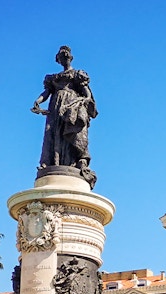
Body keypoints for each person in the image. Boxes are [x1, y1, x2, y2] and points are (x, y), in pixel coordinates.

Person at [31, 45, 98, 187]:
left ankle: (78, 161)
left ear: (70, 58)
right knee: (53, 133)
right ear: (58, 60)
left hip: (70, 107)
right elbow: (46, 93)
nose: (63, 60)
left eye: (65, 57)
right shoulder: (53, 78)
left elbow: (87, 95)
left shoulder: (77, 75)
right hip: (55, 108)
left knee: (73, 135)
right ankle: (50, 163)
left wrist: (79, 103)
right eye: (61, 58)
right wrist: (37, 101)